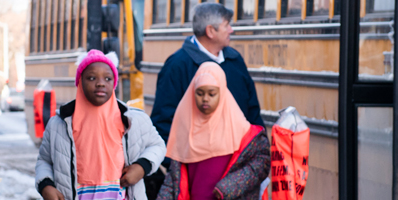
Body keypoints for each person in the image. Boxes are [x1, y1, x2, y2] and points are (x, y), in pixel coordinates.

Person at [147, 3, 264, 195]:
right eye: (227, 25)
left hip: (237, 175)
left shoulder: (235, 61)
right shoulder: (178, 66)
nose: (231, 30)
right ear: (211, 31)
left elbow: (252, 112)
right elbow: (163, 121)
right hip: (196, 176)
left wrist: (252, 161)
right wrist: (180, 168)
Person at [35, 49, 166, 200]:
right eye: (91, 78)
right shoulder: (58, 125)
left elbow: (158, 145)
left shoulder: (135, 120)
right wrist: (46, 186)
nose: (100, 83)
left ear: (114, 82)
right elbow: (44, 160)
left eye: (108, 79)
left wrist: (142, 167)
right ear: (80, 81)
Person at [157, 62, 269, 200]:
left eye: (212, 94)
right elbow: (174, 179)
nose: (205, 99)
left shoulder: (242, 131)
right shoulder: (185, 130)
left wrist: (229, 187)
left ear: (221, 93)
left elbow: (260, 163)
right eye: (199, 93)